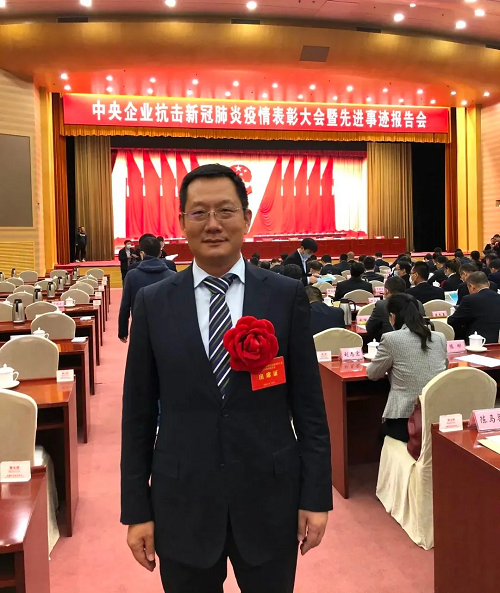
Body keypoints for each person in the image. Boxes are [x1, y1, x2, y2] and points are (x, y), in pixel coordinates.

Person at [121, 163, 332, 593]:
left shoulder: (284, 295)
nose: (213, 224)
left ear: (247, 218)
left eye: (226, 211)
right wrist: (136, 510)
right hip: (183, 501)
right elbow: (137, 416)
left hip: (270, 499)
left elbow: (309, 408)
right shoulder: (153, 303)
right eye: (199, 213)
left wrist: (315, 497)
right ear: (182, 222)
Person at [367, 293, 447, 442]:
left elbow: (373, 374)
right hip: (437, 415)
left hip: (406, 418)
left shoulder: (391, 339)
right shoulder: (439, 337)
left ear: (392, 316)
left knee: (377, 434)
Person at [118, 237, 174, 342]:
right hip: (167, 330)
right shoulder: (172, 276)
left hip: (139, 328)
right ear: (160, 253)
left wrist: (123, 331)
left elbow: (125, 305)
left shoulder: (132, 275)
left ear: (142, 254)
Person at [366, 276, 424, 342]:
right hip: (419, 341)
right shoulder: (417, 303)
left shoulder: (381, 305)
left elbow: (370, 328)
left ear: (386, 291)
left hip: (390, 342)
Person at [448, 271, 500, 345]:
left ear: (471, 286)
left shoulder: (469, 299)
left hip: (476, 343)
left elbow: (453, 321)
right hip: (497, 342)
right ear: (488, 284)